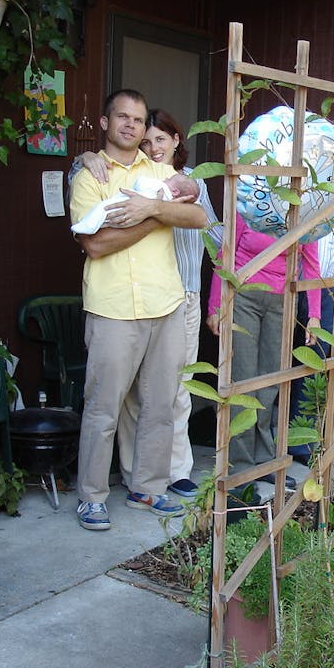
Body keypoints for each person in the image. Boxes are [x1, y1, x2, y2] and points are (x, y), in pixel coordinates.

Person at [69, 89, 207, 531]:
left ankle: (149, 487)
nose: (131, 125)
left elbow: (199, 218)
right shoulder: (90, 176)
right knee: (103, 408)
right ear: (105, 122)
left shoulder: (161, 171)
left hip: (164, 303)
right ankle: (91, 497)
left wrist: (150, 206)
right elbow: (95, 244)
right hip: (111, 309)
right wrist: (155, 218)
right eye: (122, 117)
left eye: (139, 119)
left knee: (160, 404)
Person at [206, 214, 321, 490]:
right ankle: (240, 466)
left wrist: (314, 315)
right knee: (243, 382)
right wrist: (215, 306)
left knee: (270, 383)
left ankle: (264, 460)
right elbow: (225, 254)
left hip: (282, 301)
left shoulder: (303, 210)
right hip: (243, 295)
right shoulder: (247, 204)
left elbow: (312, 265)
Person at [288, 214, 334, 465]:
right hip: (289, 287)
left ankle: (301, 443)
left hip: (329, 291)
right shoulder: (304, 197)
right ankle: (268, 444)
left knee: (314, 364)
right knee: (278, 364)